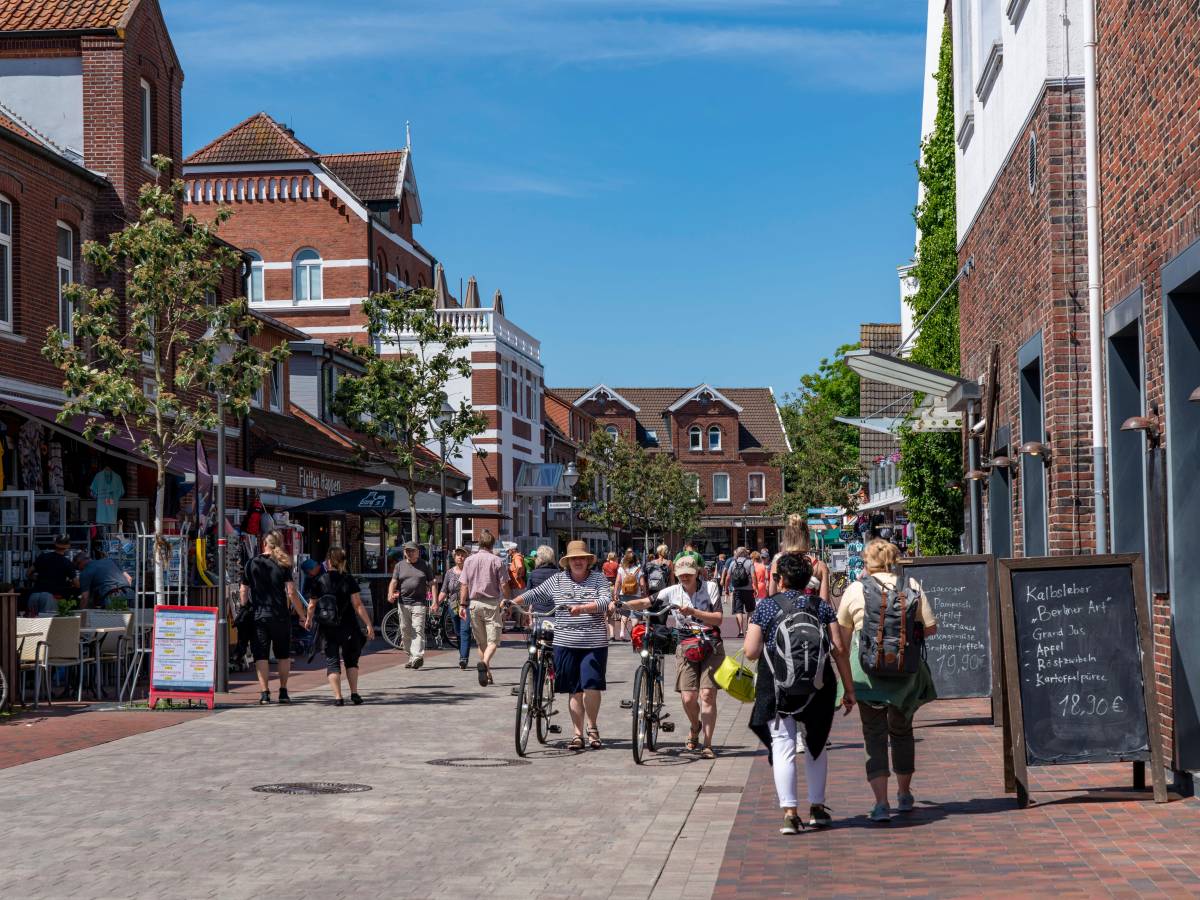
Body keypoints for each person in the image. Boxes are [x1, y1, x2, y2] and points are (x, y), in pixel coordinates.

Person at [744, 553, 855, 834]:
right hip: (818, 686)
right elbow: (839, 649)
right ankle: (817, 807)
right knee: (816, 744)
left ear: (779, 579)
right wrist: (848, 689)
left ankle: (790, 814)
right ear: (808, 580)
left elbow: (751, 651)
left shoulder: (767, 607)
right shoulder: (821, 606)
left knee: (783, 745)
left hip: (777, 686)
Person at [837, 539, 938, 822]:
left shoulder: (855, 589)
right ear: (893, 559)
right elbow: (931, 628)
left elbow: (841, 642)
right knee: (903, 731)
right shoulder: (912, 586)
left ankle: (881, 804)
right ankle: (904, 795)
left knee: (874, 735)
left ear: (867, 561)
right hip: (905, 675)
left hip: (867, 675)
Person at [511, 540, 612, 750]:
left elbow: (605, 600)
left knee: (591, 686)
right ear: (567, 562)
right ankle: (577, 733)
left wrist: (584, 608)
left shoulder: (599, 579)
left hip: (593, 641)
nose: (577, 561)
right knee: (573, 689)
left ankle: (592, 728)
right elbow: (535, 593)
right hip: (565, 641)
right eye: (573, 558)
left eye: (581, 558)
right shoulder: (557, 580)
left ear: (587, 561)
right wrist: (513, 602)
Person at [648, 556, 724, 758]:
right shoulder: (672, 591)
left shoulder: (710, 587)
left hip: (710, 643)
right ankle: (695, 725)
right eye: (681, 575)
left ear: (697, 572)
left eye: (689, 574)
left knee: (707, 694)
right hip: (686, 644)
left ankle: (707, 744)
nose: (685, 578)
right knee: (688, 697)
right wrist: (622, 604)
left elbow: (718, 618)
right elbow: (649, 601)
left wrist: (693, 611)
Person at [240, 530, 307, 704]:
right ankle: (283, 692)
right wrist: (302, 614)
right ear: (279, 544)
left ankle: (264, 693)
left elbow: (243, 590)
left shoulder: (251, 563)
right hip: (280, 616)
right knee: (283, 655)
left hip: (259, 615)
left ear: (263, 543)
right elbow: (291, 592)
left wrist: (245, 606)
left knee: (261, 655)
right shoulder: (283, 564)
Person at [303, 547, 374, 705]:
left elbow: (311, 605)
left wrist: (308, 620)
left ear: (328, 562)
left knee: (332, 661)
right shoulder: (348, 579)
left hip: (328, 627)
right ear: (343, 562)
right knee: (351, 661)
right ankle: (354, 693)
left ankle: (338, 697)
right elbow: (357, 604)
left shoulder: (319, 581)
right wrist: (368, 624)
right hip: (348, 626)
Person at [459, 529, 511, 686]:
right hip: (491, 603)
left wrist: (462, 605)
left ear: (479, 543)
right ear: (492, 544)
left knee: (482, 642)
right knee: (494, 640)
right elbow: (504, 585)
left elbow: (464, 585)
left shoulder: (468, 561)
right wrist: (508, 600)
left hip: (473, 604)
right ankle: (485, 663)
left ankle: (487, 673)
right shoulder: (497, 561)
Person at [388, 541, 433, 670]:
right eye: (407, 551)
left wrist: (435, 601)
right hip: (403, 603)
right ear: (404, 552)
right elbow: (393, 581)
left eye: (412, 550)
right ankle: (411, 656)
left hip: (419, 603)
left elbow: (432, 583)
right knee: (405, 631)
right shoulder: (399, 566)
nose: (410, 553)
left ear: (418, 552)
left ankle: (418, 656)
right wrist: (390, 593)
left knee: (418, 629)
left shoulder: (425, 565)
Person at [771, 514, 830, 601]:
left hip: (784, 612)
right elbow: (824, 601)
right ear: (807, 537)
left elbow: (772, 595)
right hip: (810, 613)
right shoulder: (820, 566)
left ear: (786, 537)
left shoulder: (778, 563)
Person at [26, 536, 77, 616]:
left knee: (32, 625)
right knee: (47, 625)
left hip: (34, 595)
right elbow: (76, 584)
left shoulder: (43, 556)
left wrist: (38, 579)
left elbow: (28, 573)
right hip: (50, 597)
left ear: (55, 544)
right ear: (67, 547)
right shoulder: (67, 563)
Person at [438, 548, 470, 669]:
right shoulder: (449, 573)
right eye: (458, 555)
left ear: (466, 558)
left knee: (465, 630)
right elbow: (444, 590)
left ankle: (463, 658)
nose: (460, 557)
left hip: (467, 604)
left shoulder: (469, 571)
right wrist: (436, 603)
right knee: (457, 631)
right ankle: (462, 654)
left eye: (462, 555)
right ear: (454, 557)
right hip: (453, 606)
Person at [612, 550, 644, 643]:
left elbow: (617, 581)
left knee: (624, 614)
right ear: (635, 560)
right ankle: (633, 636)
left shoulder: (621, 569)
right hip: (636, 595)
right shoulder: (638, 569)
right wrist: (644, 592)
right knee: (635, 615)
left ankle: (622, 632)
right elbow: (642, 584)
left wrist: (615, 593)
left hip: (624, 594)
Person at [723, 547, 755, 638]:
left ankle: (740, 631)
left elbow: (728, 577)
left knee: (738, 611)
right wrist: (755, 587)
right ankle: (748, 629)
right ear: (746, 553)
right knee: (750, 610)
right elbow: (753, 576)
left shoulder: (733, 563)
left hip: (737, 590)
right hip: (749, 590)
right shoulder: (750, 562)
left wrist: (726, 589)